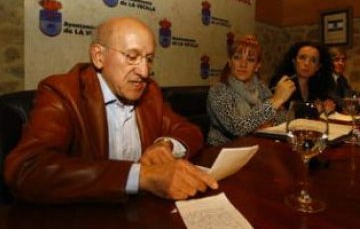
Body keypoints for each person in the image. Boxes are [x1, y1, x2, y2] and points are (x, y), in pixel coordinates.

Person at [4, 17, 218, 203]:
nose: (144, 72)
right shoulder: (62, 92)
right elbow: (26, 169)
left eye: (149, 59)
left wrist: (165, 144)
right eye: (132, 57)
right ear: (99, 56)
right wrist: (141, 176)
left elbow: (190, 130)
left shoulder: (150, 92)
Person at [207, 35, 295, 146]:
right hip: (223, 151)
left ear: (257, 66)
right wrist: (276, 100)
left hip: (256, 146)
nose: (243, 64)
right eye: (237, 57)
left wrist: (267, 121)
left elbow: (284, 118)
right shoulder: (218, 90)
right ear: (229, 62)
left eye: (250, 60)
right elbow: (237, 128)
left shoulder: (261, 88)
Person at [269, 41, 335, 113]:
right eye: (302, 58)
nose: (307, 63)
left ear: (318, 67)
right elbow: (282, 115)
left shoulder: (318, 85)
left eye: (313, 60)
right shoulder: (282, 83)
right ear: (294, 62)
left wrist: (326, 106)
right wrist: (314, 110)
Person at [328, 47, 354, 111]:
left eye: (343, 60)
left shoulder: (342, 79)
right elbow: (335, 100)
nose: (341, 63)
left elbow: (350, 95)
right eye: (336, 60)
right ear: (328, 61)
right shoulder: (323, 78)